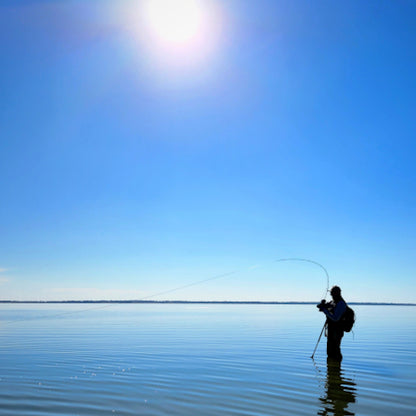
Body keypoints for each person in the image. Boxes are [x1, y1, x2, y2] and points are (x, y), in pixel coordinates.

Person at [318, 285, 347, 362]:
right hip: (331, 330)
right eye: (331, 293)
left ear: (337, 293)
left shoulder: (341, 303)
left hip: (337, 331)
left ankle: (336, 367)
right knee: (330, 350)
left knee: (335, 350)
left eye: (332, 293)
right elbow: (322, 307)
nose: (331, 295)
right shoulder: (333, 302)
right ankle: (332, 370)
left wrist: (325, 310)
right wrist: (323, 305)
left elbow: (335, 318)